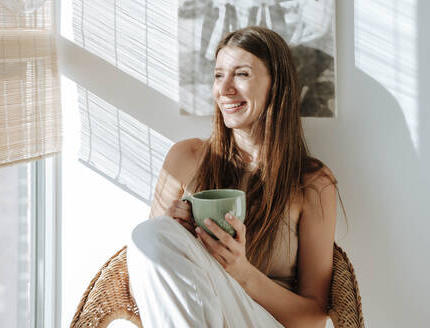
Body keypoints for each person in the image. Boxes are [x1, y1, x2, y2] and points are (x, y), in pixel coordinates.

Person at [127, 26, 338, 328]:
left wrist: (241, 271)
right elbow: (146, 285)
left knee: (150, 234)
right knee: (149, 235)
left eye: (241, 74)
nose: (224, 89)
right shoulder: (185, 158)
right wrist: (175, 233)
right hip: (194, 313)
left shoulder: (312, 182)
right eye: (218, 75)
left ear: (276, 85)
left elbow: (315, 318)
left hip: (265, 321)